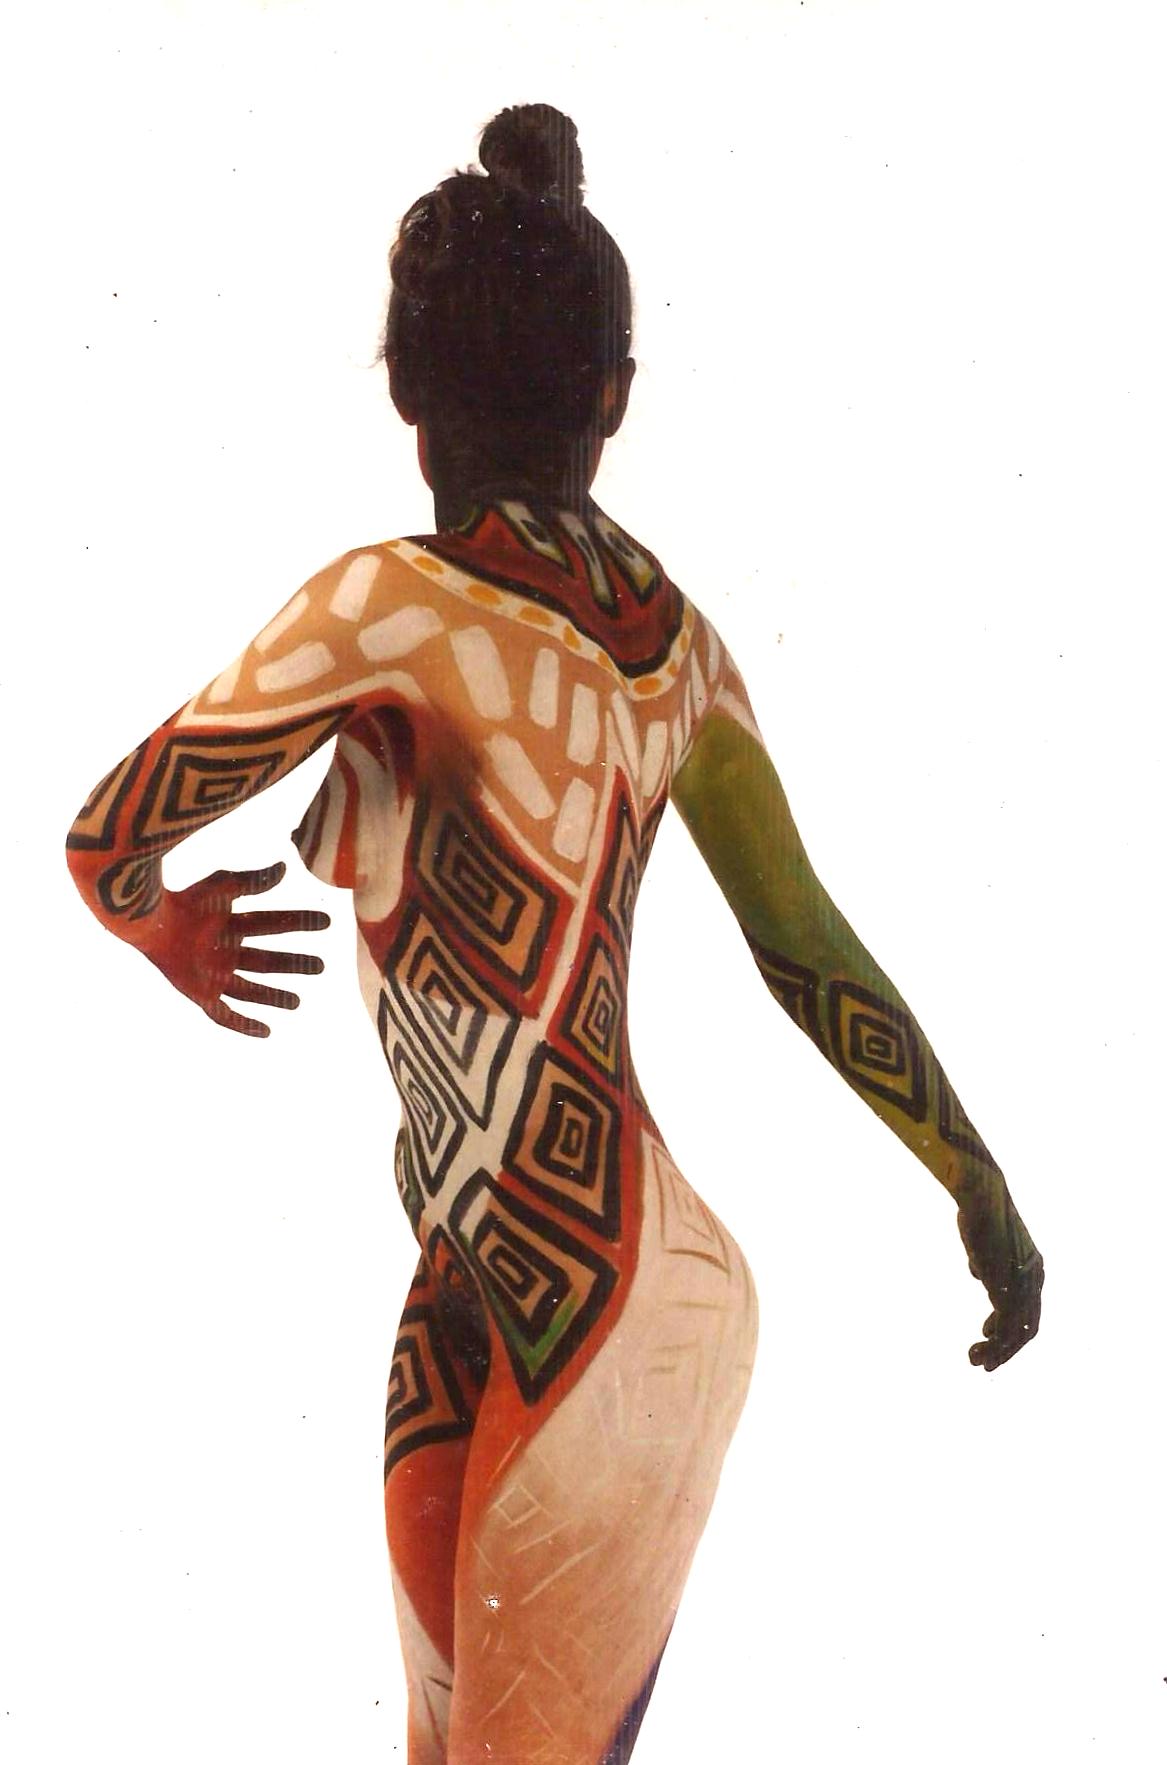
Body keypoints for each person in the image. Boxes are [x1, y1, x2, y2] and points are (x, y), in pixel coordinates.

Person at [66, 103, 1042, 1765]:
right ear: (612, 395)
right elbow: (805, 943)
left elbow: (111, 841)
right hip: (522, 1281)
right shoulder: (682, 652)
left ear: (405, 392)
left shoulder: (383, 605)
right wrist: (973, 1173)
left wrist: (171, 932)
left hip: (582, 1308)